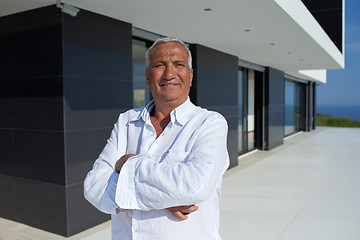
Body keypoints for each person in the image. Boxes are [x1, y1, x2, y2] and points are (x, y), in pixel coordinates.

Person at [84, 37, 229, 240]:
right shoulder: (127, 121)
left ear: (190, 75)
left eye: (179, 64)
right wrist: (167, 199)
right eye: (159, 65)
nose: (169, 74)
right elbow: (93, 188)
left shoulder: (209, 123)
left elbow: (195, 187)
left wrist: (126, 164)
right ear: (147, 76)